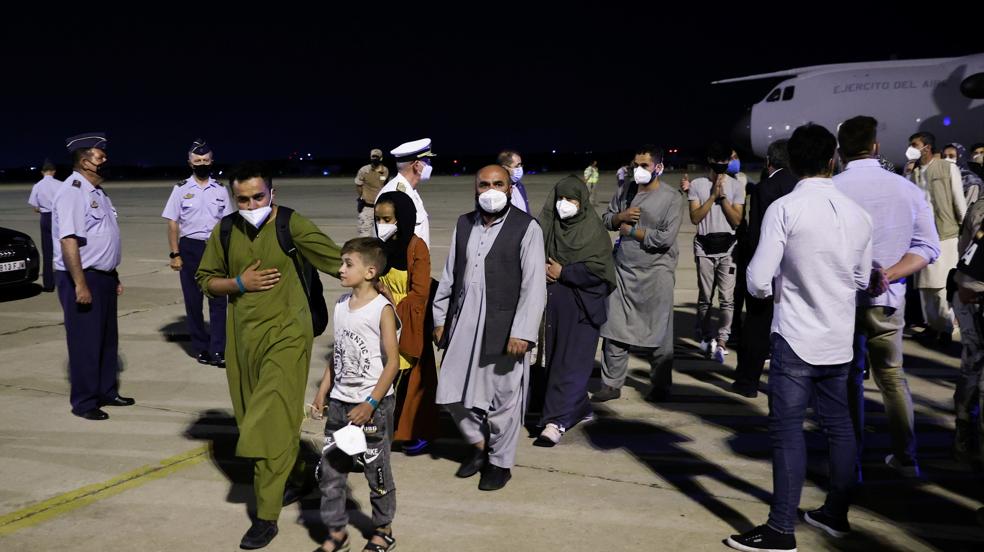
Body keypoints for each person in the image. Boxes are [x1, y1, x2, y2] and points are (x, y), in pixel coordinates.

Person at [727, 123, 874, 552]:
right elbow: (863, 278)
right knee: (840, 428)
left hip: (794, 337)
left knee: (787, 431)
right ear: (833, 160)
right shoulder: (858, 213)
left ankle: (780, 529)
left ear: (792, 162)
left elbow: (756, 279)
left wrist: (776, 289)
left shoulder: (786, 208)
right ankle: (835, 514)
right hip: (839, 339)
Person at [195, 163, 343, 550]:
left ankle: (265, 515)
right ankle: (299, 473)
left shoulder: (291, 225)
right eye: (242, 198)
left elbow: (338, 262)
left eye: (258, 197)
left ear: (272, 194)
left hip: (288, 338)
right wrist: (238, 284)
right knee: (251, 419)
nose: (250, 204)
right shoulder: (225, 230)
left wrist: (383, 283)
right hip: (242, 342)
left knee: (267, 424)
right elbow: (205, 279)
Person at [834, 116, 939, 480]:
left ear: (840, 150)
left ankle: (851, 463)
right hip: (888, 298)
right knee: (892, 377)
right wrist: (889, 274)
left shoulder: (833, 189)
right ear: (875, 147)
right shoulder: (907, 189)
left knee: (848, 380)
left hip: (843, 300)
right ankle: (906, 457)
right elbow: (928, 247)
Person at [432, 165, 546, 491]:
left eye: (499, 183)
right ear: (475, 189)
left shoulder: (527, 228)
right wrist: (441, 319)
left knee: (503, 399)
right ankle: (480, 445)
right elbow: (452, 274)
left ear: (510, 189)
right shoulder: (464, 223)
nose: (491, 189)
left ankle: (500, 462)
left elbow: (534, 285)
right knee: (452, 392)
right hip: (465, 318)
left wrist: (523, 332)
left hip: (506, 326)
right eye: (485, 184)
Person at [311, 237, 400, 552]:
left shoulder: (381, 309)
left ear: (370, 270)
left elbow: (392, 363)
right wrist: (323, 391)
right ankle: (337, 532)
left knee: (376, 472)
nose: (340, 269)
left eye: (348, 264)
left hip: (371, 408)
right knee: (331, 472)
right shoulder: (340, 306)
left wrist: (371, 403)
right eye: (341, 263)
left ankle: (382, 529)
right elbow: (339, 354)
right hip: (340, 405)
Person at [52, 133, 134, 421]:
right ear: (85, 161)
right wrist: (80, 284)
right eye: (100, 156)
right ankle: (85, 401)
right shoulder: (73, 191)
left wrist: (114, 274)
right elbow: (69, 241)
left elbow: (104, 239)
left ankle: (107, 391)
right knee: (86, 341)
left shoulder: (98, 193)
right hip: (82, 277)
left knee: (107, 339)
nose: (105, 160)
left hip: (104, 277)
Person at [593, 145, 683, 403]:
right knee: (615, 326)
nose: (639, 170)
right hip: (623, 270)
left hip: (656, 272)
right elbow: (606, 219)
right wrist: (620, 216)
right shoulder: (625, 191)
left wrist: (631, 231)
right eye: (636, 165)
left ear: (658, 167)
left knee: (659, 331)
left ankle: (661, 384)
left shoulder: (671, 198)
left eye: (644, 165)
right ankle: (611, 384)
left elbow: (665, 238)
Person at [534, 175, 615, 446]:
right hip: (554, 306)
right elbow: (531, 252)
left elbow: (601, 270)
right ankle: (578, 407)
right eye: (560, 199)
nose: (564, 205)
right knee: (556, 360)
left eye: (571, 199)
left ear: (582, 202)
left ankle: (556, 421)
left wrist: (564, 271)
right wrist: (541, 269)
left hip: (582, 306)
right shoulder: (547, 226)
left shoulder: (593, 230)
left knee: (571, 363)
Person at [374, 191, 439, 454]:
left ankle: (415, 430)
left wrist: (392, 301)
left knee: (413, 380)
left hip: (409, 321)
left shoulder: (416, 247)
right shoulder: (378, 247)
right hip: (382, 321)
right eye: (378, 219)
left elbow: (420, 293)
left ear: (402, 218)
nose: (382, 225)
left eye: (388, 219)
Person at [731, 139, 797, 398]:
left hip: (769, 268)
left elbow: (758, 234)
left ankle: (747, 381)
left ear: (769, 161)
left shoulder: (765, 188)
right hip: (795, 270)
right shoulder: (800, 185)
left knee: (757, 327)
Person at [161, 139, 233, 367]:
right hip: (190, 248)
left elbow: (228, 224)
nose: (202, 163)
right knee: (193, 301)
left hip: (216, 249)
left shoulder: (221, 190)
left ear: (212, 161)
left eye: (205, 160)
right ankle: (201, 348)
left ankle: (218, 349)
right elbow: (173, 223)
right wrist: (175, 254)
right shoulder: (181, 189)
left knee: (219, 300)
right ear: (190, 163)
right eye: (197, 160)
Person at [687, 143, 745, 362]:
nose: (721, 167)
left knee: (727, 299)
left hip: (728, 248)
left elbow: (737, 220)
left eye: (725, 163)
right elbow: (695, 218)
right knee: (705, 297)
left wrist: (723, 198)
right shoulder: (697, 185)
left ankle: (722, 339)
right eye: (718, 163)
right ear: (710, 162)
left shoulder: (736, 186)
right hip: (704, 247)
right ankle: (704, 334)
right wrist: (712, 196)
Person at [908, 131, 965, 346]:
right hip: (922, 236)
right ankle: (932, 326)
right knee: (925, 287)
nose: (911, 149)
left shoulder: (948, 168)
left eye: (915, 145)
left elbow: (959, 202)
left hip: (946, 234)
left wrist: (964, 229)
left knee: (941, 286)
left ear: (927, 147)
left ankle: (946, 328)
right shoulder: (913, 174)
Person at [951, 191, 984, 465]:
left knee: (972, 369)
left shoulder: (979, 207)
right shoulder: (980, 210)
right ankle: (966, 435)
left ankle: (964, 434)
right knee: (974, 370)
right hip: (975, 296)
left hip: (972, 292)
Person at [377, 138, 434, 247]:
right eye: (427, 160)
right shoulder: (393, 194)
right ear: (417, 165)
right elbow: (386, 243)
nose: (430, 164)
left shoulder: (409, 191)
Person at [27, 158, 62, 291]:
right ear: (53, 171)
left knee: (47, 252)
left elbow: (35, 207)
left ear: (42, 172)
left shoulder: (37, 186)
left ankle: (48, 285)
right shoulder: (60, 184)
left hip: (45, 218)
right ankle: (67, 281)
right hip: (58, 217)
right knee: (63, 249)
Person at [354, 148, 389, 237]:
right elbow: (358, 185)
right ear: (370, 158)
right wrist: (362, 197)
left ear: (381, 158)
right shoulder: (364, 170)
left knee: (381, 235)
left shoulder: (385, 171)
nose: (375, 159)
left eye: (377, 157)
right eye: (373, 157)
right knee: (365, 235)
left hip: (380, 207)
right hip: (367, 207)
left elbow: (386, 186)